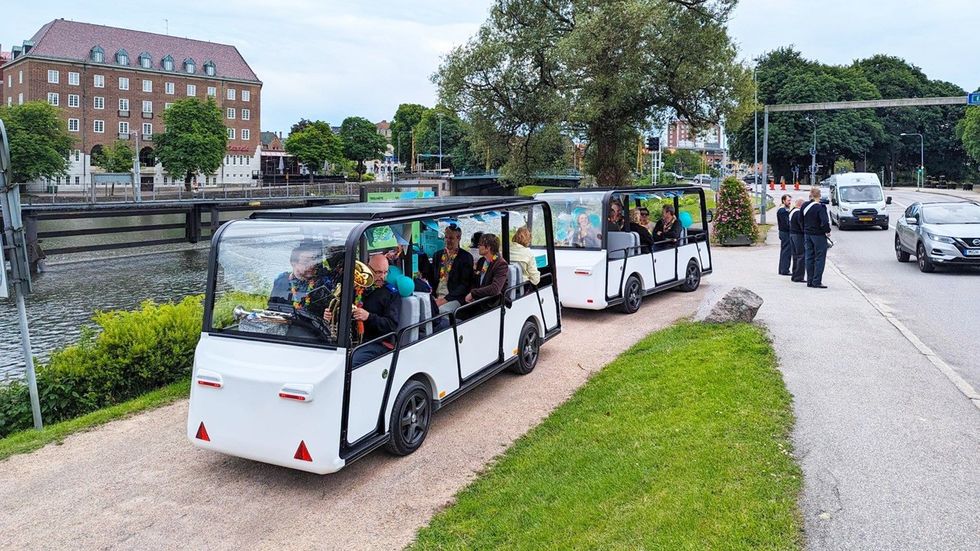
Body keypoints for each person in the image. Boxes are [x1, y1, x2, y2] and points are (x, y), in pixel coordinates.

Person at [334, 254, 401, 365]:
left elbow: (391, 325)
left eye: (386, 272)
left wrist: (368, 316)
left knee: (349, 363)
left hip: (377, 342)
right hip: (350, 338)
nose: (383, 277)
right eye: (378, 272)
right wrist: (332, 314)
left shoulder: (391, 293)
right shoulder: (357, 287)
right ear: (368, 269)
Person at [268, 240, 337, 321]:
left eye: (314, 260)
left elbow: (334, 310)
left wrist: (328, 315)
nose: (312, 265)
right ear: (293, 263)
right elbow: (272, 307)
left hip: (313, 331)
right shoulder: (281, 280)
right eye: (306, 262)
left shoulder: (324, 282)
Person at [429, 224, 474, 314]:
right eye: (446, 237)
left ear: (459, 238)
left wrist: (445, 300)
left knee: (441, 311)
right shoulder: (437, 255)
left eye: (451, 238)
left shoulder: (465, 257)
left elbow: (464, 285)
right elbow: (432, 278)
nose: (447, 240)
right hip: (436, 295)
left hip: (454, 297)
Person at [465, 233, 509, 310]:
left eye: (480, 244)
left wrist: (473, 293)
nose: (478, 246)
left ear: (488, 248)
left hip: (491, 303)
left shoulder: (501, 264)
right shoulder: (482, 261)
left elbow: (495, 289)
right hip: (478, 300)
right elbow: (475, 280)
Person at [802, 187, 831, 288]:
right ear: (819, 196)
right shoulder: (820, 207)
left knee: (809, 257)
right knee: (819, 258)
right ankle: (817, 281)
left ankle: (809, 280)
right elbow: (824, 222)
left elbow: (801, 219)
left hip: (807, 234)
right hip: (818, 235)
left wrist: (805, 229)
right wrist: (827, 231)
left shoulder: (805, 205)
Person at [789, 199, 805, 282]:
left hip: (792, 234)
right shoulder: (798, 213)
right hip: (798, 235)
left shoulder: (792, 211)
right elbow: (801, 224)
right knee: (801, 255)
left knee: (795, 256)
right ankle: (799, 276)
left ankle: (794, 274)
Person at [776, 194, 793, 276]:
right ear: (783, 200)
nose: (790, 202)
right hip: (785, 233)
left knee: (785, 251)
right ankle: (784, 269)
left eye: (790, 200)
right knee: (786, 251)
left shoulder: (783, 210)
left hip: (784, 232)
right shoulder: (782, 211)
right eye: (788, 200)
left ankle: (783, 269)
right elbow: (786, 223)